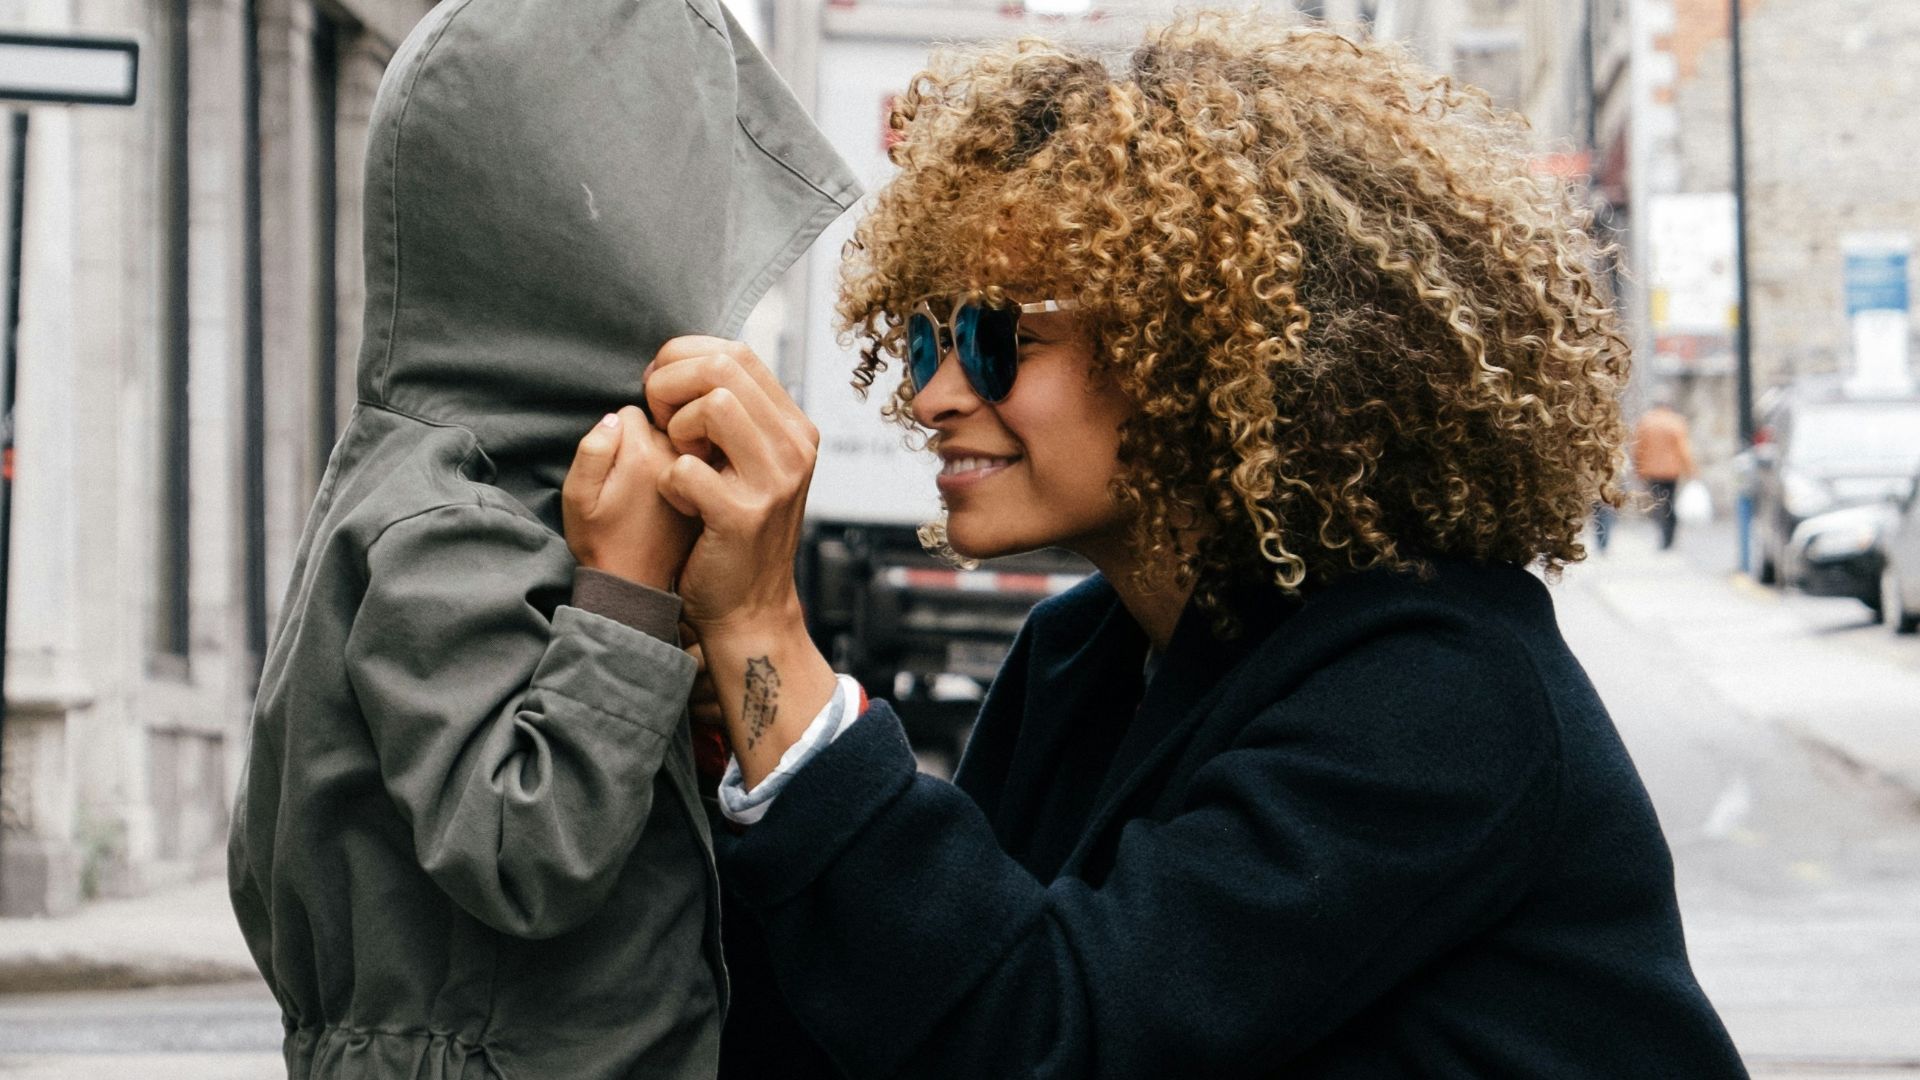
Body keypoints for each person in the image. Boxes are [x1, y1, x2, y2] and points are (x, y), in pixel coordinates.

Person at [572, 14, 1749, 1078]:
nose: (932, 395)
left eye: (997, 341)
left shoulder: (1442, 694)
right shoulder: (1080, 656)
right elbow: (895, 1016)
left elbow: (1049, 1038)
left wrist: (766, 634)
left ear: (1197, 351)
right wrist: (715, 710)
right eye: (926, 337)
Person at [223, 0, 856, 1075]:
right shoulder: (448, 514)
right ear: (585, 248)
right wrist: (628, 603)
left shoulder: (517, 482)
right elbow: (525, 851)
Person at [1632, 395, 1699, 551]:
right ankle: (1669, 537)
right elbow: (1683, 449)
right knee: (1670, 502)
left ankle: (1663, 535)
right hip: (1671, 471)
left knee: (1658, 503)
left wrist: (1638, 469)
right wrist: (1691, 469)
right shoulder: (1676, 422)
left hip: (1652, 470)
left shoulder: (1646, 422)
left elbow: (1638, 448)